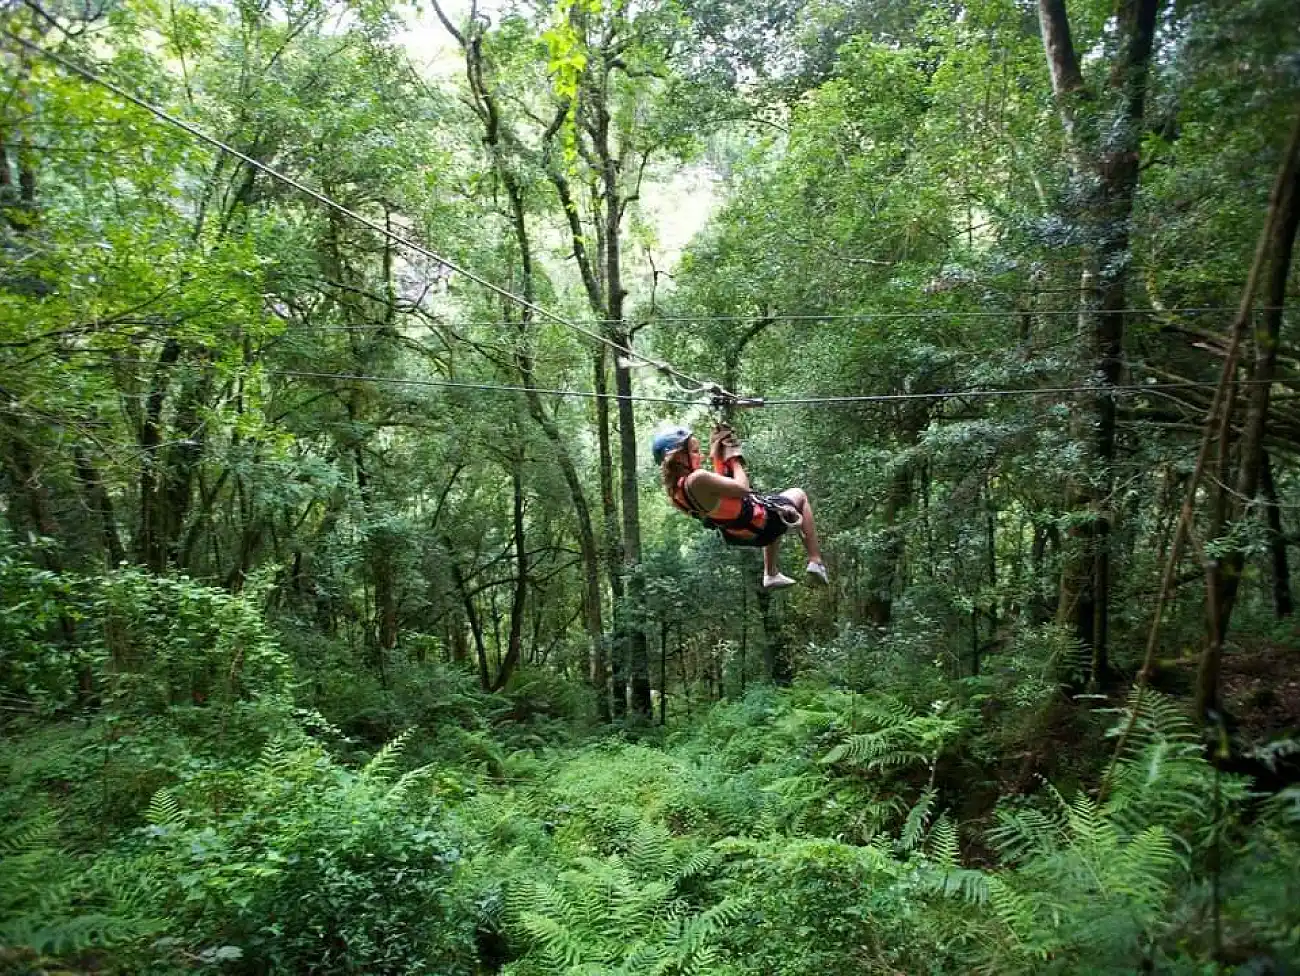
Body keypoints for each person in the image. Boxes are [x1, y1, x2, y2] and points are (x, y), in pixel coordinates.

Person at [651, 422, 829, 590]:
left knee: (776, 506)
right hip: (760, 524)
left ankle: (771, 573)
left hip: (740, 533)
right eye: (695, 451)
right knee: (799, 495)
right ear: (679, 457)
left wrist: (718, 452)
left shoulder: (676, 493)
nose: (700, 455)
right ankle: (815, 560)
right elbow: (742, 489)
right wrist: (734, 458)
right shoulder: (697, 479)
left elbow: (721, 489)